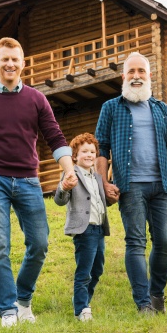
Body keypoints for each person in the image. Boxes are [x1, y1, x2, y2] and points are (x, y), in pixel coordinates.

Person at [0, 37, 77, 327]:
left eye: (15, 59)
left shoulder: (36, 99)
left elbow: (55, 136)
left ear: (23, 63)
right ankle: (8, 311)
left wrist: (68, 170)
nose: (10, 64)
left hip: (28, 181)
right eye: (4, 59)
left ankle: (23, 300)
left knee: (40, 243)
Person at [95, 52, 167, 314]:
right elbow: (102, 146)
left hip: (161, 185)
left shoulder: (161, 109)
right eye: (131, 72)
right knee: (135, 242)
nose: (136, 76)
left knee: (165, 241)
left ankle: (156, 294)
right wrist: (103, 183)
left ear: (149, 76)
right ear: (124, 76)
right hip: (130, 185)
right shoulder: (111, 108)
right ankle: (143, 303)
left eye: (141, 71)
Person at [54, 133, 109, 322]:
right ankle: (81, 309)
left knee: (97, 270)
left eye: (92, 152)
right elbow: (59, 200)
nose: (89, 155)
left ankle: (85, 301)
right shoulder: (71, 174)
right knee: (84, 271)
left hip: (99, 229)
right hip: (84, 230)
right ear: (75, 156)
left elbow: (100, 202)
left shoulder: (98, 177)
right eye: (84, 151)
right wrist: (64, 186)